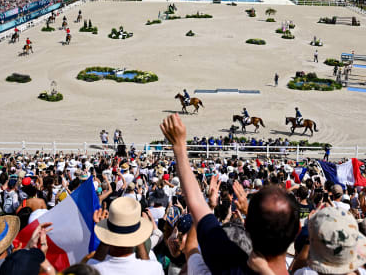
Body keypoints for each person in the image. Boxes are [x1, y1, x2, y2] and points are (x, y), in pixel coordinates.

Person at [159, 113, 300, 274]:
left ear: (247, 224)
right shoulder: (301, 269)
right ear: (297, 231)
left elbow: (196, 205)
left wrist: (179, 146)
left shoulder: (226, 265)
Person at [90, 197, 163, 274]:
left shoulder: (93, 268)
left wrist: (106, 234)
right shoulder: (154, 268)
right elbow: (147, 265)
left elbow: (94, 262)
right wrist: (138, 234)